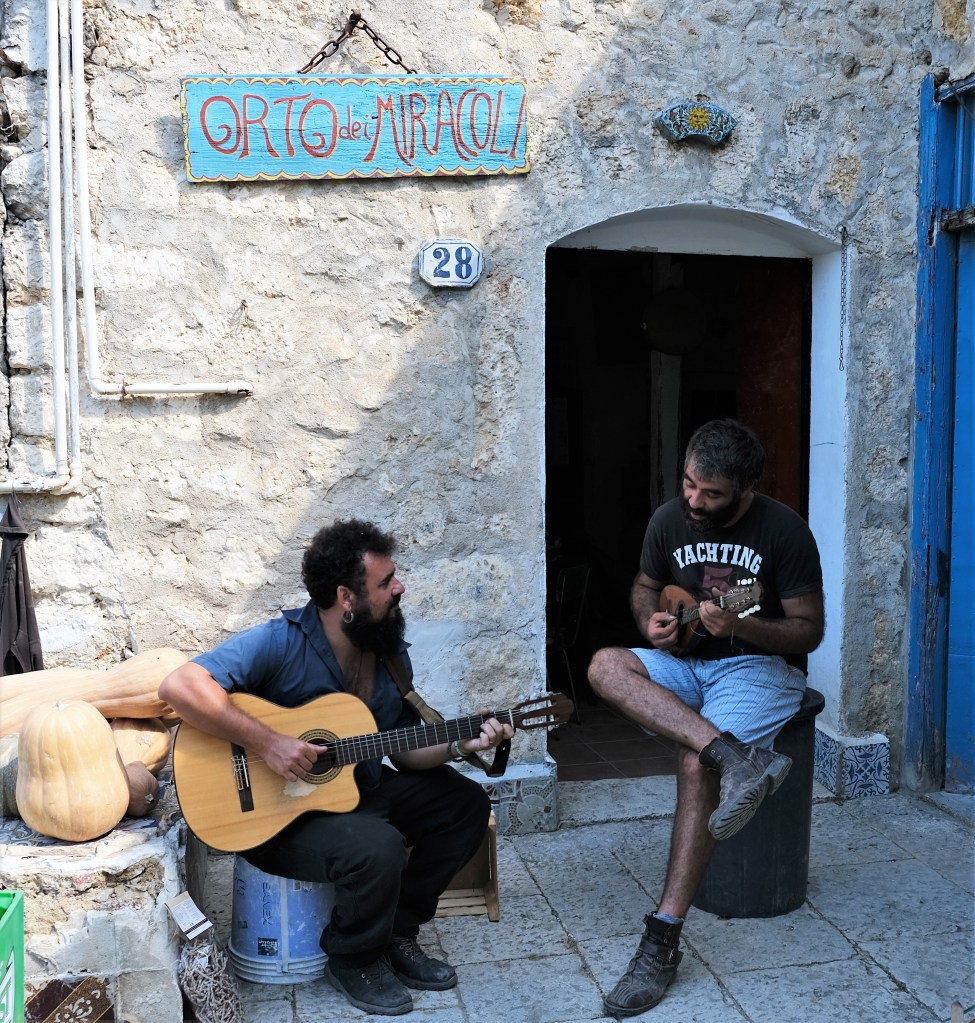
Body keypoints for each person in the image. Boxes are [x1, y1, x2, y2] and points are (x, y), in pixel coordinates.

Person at [159, 519, 514, 1017]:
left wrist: (460, 743)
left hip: (352, 794)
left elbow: (405, 750)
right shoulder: (280, 642)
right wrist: (269, 743)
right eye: (386, 581)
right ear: (346, 597)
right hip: (275, 818)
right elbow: (179, 687)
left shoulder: (389, 656)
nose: (400, 587)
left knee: (465, 804)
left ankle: (397, 932)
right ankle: (354, 958)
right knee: (377, 845)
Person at [587, 419, 824, 1018]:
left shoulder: (785, 532)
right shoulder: (669, 518)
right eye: (689, 484)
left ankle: (661, 941)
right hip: (686, 664)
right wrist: (650, 622)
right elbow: (646, 586)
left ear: (744, 489)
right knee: (605, 665)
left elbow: (809, 631)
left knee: (696, 765)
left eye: (710, 493)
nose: (693, 500)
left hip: (754, 667)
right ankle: (736, 757)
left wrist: (742, 624)